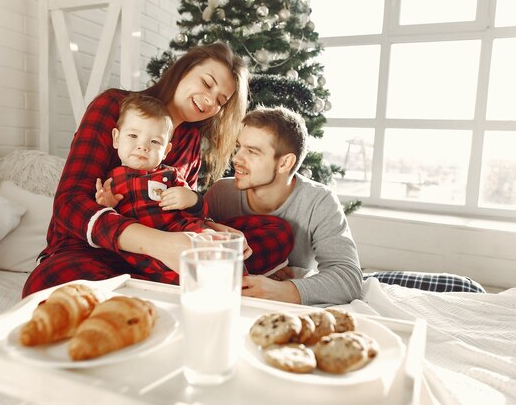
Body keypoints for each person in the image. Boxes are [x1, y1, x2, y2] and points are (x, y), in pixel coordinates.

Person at [22, 42, 291, 297]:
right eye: (207, 83)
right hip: (95, 248)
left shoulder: (190, 139)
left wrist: (213, 229)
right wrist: (160, 245)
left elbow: (181, 208)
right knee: (50, 282)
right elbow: (69, 204)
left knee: (276, 232)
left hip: (166, 250)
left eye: (220, 100)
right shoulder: (114, 107)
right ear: (183, 70)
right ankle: (170, 289)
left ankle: (147, 290)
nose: (210, 102)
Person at [96, 93, 290, 279]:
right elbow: (108, 224)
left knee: (215, 248)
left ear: (166, 151)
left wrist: (190, 198)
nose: (143, 146)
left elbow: (200, 210)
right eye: (132, 136)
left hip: (186, 231)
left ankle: (239, 282)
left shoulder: (169, 174)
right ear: (116, 138)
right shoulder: (112, 179)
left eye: (155, 141)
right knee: (174, 273)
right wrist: (108, 204)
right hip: (146, 249)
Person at [204, 106, 364, 306]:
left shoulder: (319, 201)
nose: (236, 158)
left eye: (252, 152)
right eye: (239, 147)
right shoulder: (221, 193)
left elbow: (348, 279)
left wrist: (281, 290)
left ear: (284, 163)